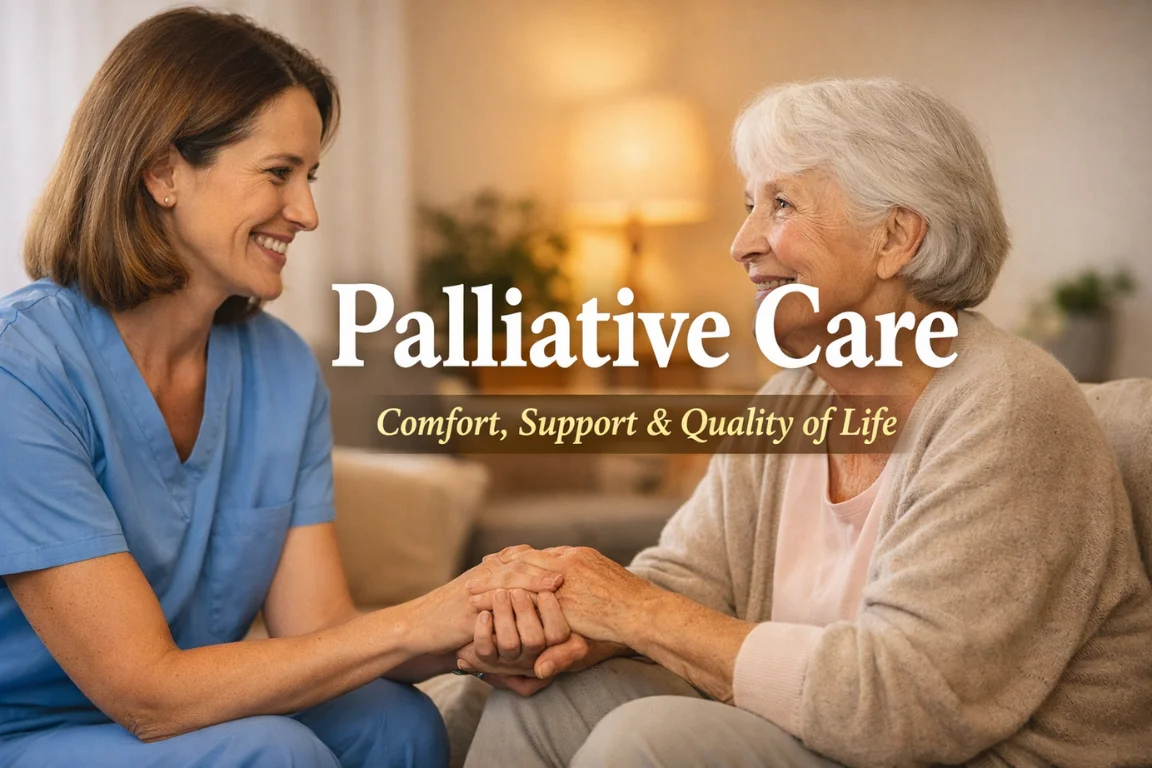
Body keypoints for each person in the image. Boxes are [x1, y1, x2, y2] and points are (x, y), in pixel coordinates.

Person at [460, 78, 1152, 766]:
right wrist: (564, 623)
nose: (741, 243)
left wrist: (634, 613)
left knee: (646, 740)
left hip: (962, 754)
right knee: (541, 702)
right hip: (832, 742)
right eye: (749, 206)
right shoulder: (792, 399)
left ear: (895, 238)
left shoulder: (1009, 407)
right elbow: (687, 580)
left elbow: (905, 705)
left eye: (781, 204)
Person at [0, 8, 567, 767]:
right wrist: (418, 618)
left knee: (396, 723)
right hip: (29, 731)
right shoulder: (21, 368)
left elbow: (319, 628)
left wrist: (485, 628)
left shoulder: (281, 367)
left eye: (310, 177)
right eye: (278, 173)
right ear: (162, 173)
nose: (306, 213)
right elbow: (146, 691)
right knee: (273, 752)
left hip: (194, 708)